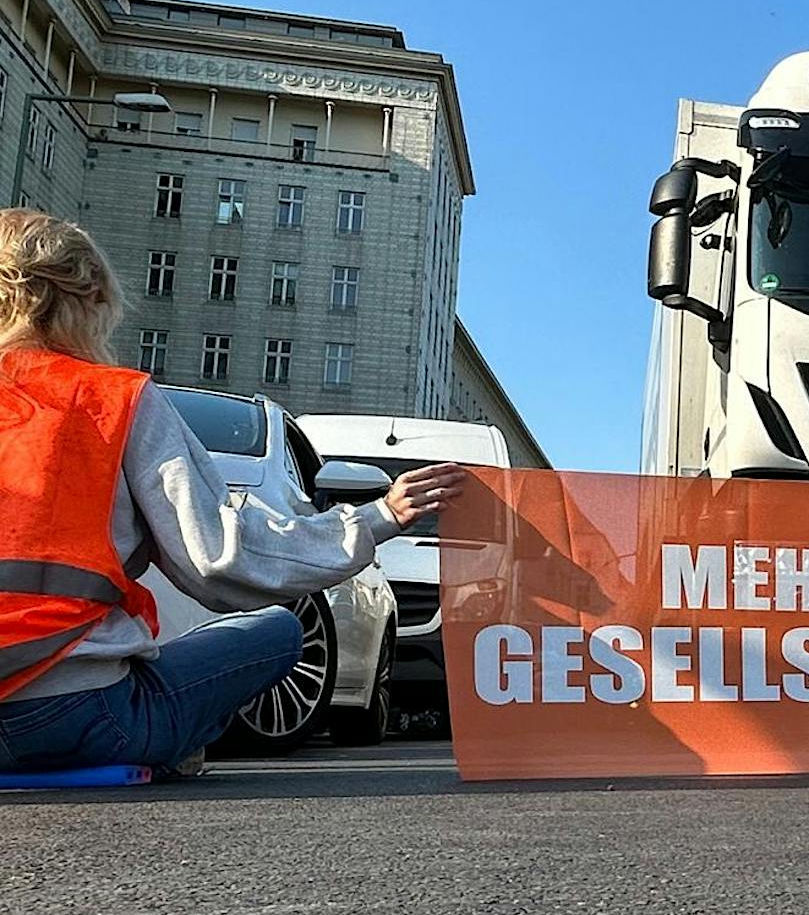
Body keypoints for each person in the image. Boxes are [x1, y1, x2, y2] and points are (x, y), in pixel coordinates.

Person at [0, 208, 466, 777]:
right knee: (276, 631)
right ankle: (165, 743)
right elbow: (221, 560)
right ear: (86, 300)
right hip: (79, 714)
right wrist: (379, 516)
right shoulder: (109, 400)